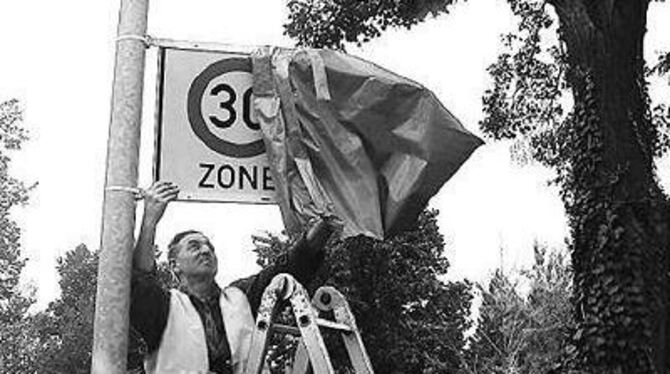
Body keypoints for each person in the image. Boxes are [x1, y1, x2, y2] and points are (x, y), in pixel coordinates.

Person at [130, 181, 335, 374]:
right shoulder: (166, 308)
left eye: (209, 246)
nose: (205, 250)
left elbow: (291, 266)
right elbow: (142, 281)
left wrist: (331, 218)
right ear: (174, 265)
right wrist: (149, 221)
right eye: (194, 246)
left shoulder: (238, 299)